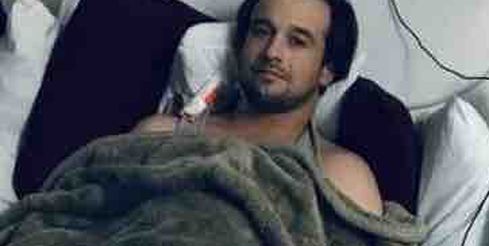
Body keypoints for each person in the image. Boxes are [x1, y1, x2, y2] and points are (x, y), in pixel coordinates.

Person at [134, 0, 383, 214]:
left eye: (297, 41)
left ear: (327, 70)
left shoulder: (342, 177)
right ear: (241, 45)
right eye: (261, 32)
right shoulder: (161, 133)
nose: (272, 52)